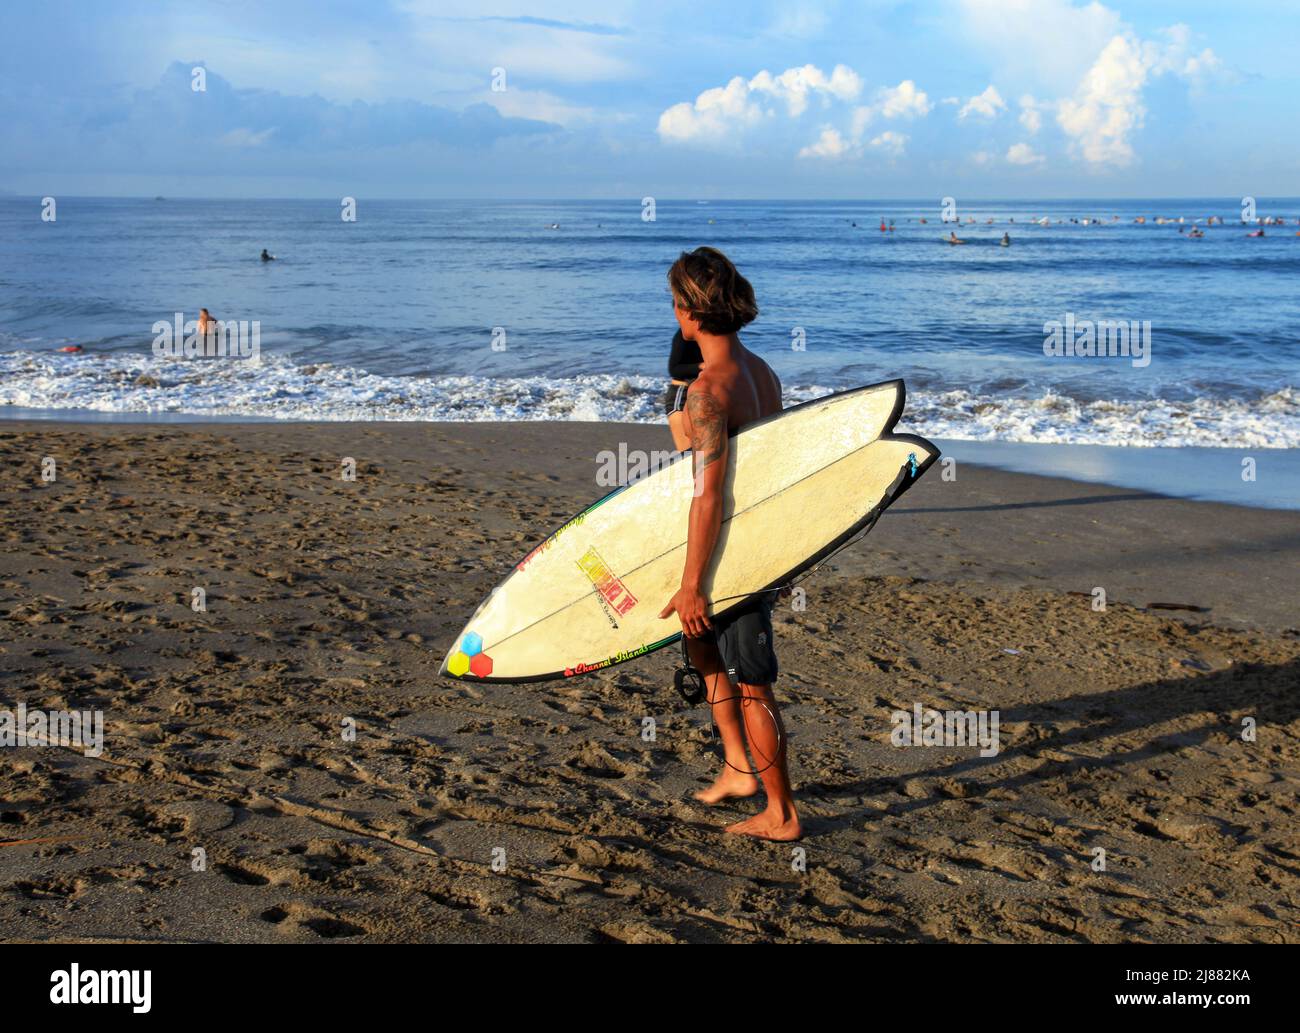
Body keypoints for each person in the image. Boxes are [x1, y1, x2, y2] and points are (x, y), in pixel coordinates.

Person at [657, 246, 799, 841]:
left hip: (732, 554)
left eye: (675, 304)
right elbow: (773, 466)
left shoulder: (709, 391)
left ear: (690, 312)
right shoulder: (763, 371)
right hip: (760, 538)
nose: (672, 314)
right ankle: (739, 767)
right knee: (705, 654)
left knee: (752, 683)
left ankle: (782, 813)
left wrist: (692, 585)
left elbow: (706, 492)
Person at [665, 329, 702, 451]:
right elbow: (674, 369)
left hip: (702, 393)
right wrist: (702, 366)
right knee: (687, 454)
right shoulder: (684, 335)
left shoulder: (718, 334)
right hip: (682, 393)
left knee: (702, 451)